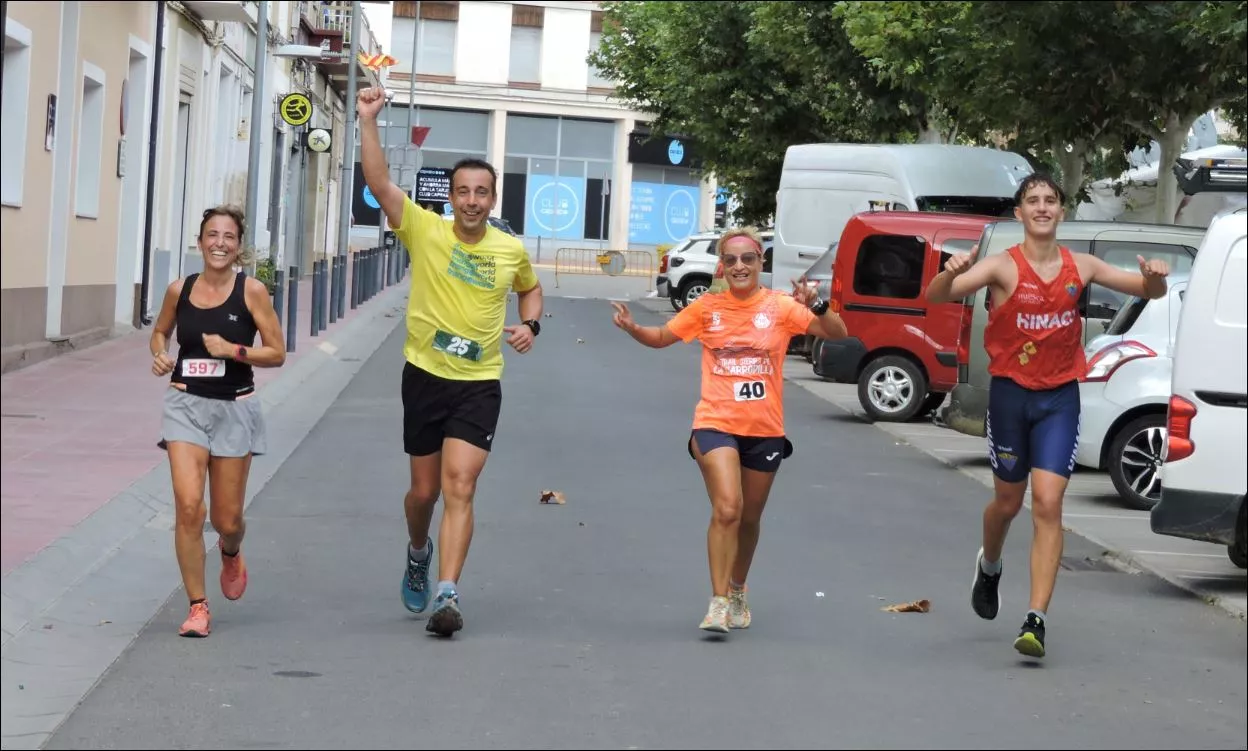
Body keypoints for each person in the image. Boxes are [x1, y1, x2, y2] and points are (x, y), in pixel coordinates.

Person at [925, 173, 1170, 658]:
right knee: (1008, 504)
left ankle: (1035, 618)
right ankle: (990, 564)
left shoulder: (1082, 265)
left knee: (1049, 504)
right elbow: (937, 296)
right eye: (1032, 201)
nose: (1041, 207)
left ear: (1061, 212)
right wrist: (950, 272)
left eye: (1050, 201)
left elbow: (1148, 290)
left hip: (1059, 397)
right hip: (1011, 397)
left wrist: (1155, 277)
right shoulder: (1000, 267)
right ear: (1019, 214)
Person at [355, 86, 545, 637]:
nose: (471, 201)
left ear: (492, 199)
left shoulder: (510, 251)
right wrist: (369, 119)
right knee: (425, 494)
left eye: (481, 193)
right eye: (463, 191)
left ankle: (447, 592)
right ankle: (419, 548)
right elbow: (378, 183)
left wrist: (529, 324)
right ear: (452, 196)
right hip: (425, 376)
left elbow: (532, 293)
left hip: (479, 383)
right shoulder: (425, 230)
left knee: (461, 485)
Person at [610, 227, 848, 635]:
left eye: (748, 259)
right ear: (722, 266)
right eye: (732, 260)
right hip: (715, 422)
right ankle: (718, 602)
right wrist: (634, 329)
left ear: (760, 264)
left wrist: (819, 304)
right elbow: (664, 336)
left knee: (750, 519)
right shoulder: (707, 307)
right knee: (728, 509)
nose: (740, 266)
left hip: (765, 429)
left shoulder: (780, 307)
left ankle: (738, 588)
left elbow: (837, 334)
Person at [149, 206, 287, 638]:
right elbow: (160, 331)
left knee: (227, 519)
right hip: (185, 405)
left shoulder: (252, 292)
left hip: (234, 408)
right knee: (189, 507)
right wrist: (158, 353)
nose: (220, 243)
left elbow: (277, 352)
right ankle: (197, 606)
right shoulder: (179, 289)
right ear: (200, 241)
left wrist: (234, 351)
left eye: (229, 236)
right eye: (213, 235)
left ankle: (231, 549)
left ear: (238, 245)